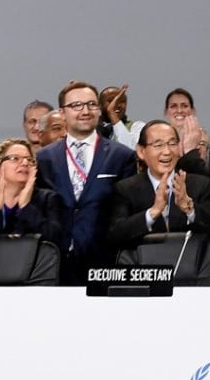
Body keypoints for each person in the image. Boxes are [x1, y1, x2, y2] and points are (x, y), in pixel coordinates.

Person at [36, 81, 137, 282]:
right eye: (76, 106)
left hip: (104, 262)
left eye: (91, 104)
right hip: (54, 264)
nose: (85, 111)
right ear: (62, 113)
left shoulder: (121, 156)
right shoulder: (44, 158)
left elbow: (125, 214)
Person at [107, 120, 210, 247]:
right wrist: (153, 212)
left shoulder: (200, 184)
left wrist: (189, 209)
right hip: (145, 264)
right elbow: (115, 235)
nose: (167, 152)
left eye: (172, 144)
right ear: (141, 151)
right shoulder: (125, 189)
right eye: (158, 145)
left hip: (189, 263)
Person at [0, 139, 64, 248]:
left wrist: (26, 207)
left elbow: (55, 240)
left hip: (32, 264)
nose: (25, 163)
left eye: (29, 160)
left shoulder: (47, 198)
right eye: (15, 158)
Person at [97, 84, 145, 150]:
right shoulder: (95, 131)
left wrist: (112, 114)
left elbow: (131, 151)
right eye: (111, 101)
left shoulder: (137, 127)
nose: (117, 104)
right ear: (100, 105)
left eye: (122, 101)